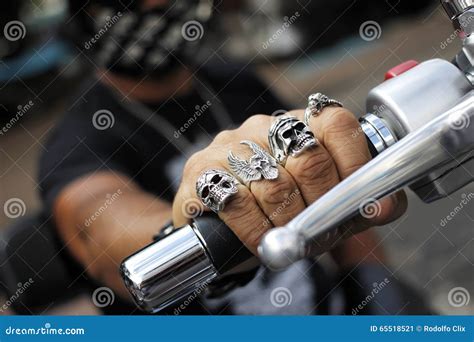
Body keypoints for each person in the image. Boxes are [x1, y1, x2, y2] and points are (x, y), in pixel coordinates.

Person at [39, 0, 421, 315]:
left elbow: (321, 176)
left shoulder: (237, 82)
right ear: (85, 14)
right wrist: (188, 226)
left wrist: (372, 281)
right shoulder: (77, 142)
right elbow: (101, 235)